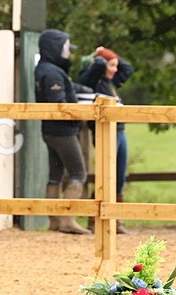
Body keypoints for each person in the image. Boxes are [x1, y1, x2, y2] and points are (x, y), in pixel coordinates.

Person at [34, 29, 90, 234]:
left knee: (55, 175)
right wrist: (80, 114)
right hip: (63, 132)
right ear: (55, 47)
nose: (69, 53)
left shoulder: (46, 69)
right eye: (66, 48)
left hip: (50, 130)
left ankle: (55, 220)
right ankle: (67, 219)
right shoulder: (52, 72)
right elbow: (59, 104)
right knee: (78, 173)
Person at [78, 46, 134, 228]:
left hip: (120, 131)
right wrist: (100, 59)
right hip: (105, 132)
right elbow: (92, 72)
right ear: (101, 66)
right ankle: (95, 220)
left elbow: (128, 69)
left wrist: (110, 53)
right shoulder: (94, 81)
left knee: (118, 176)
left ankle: (116, 219)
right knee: (105, 176)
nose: (115, 70)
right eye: (111, 65)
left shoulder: (111, 82)